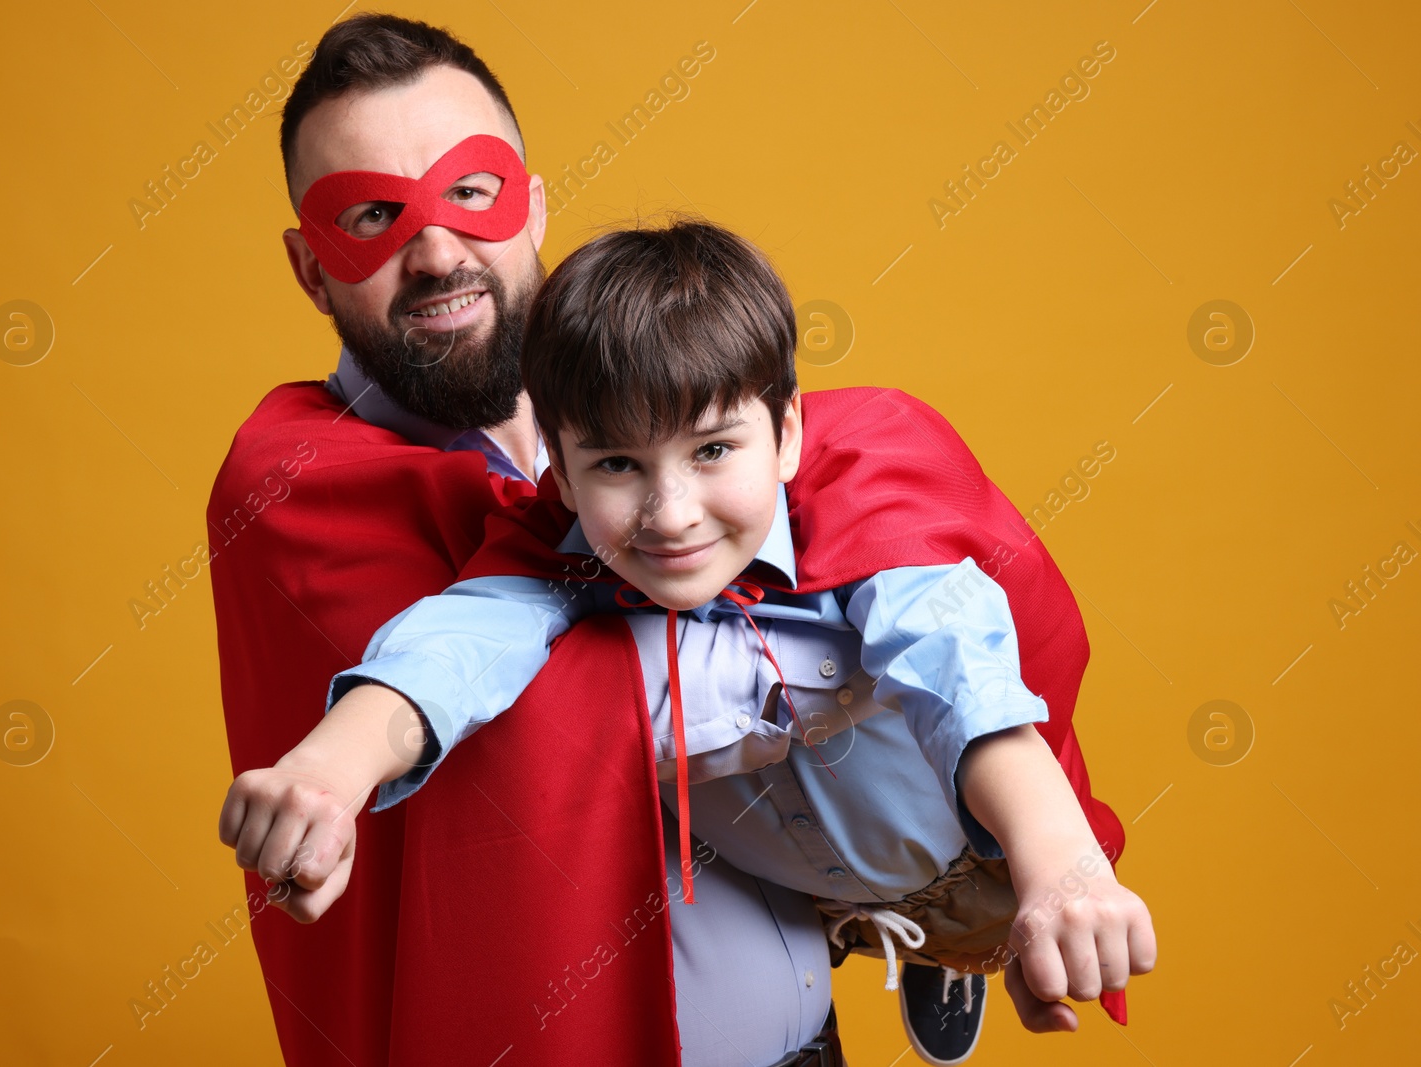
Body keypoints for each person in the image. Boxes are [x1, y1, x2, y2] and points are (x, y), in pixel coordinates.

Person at [224, 220, 1157, 1065]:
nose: (671, 516)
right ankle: (903, 935)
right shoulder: (554, 548)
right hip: (820, 888)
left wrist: (1057, 871)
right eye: (618, 465)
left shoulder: (878, 524)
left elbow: (970, 688)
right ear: (558, 461)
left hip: (975, 850)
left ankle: (956, 951)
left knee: (986, 902)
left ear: (788, 433)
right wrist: (331, 769)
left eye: (713, 451)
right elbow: (447, 647)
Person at [212, 13, 851, 1066]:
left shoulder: (654, 395)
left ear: (534, 203)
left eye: (470, 191)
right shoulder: (299, 486)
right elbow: (566, 703)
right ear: (309, 267)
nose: (436, 251)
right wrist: (841, 660)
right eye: (371, 214)